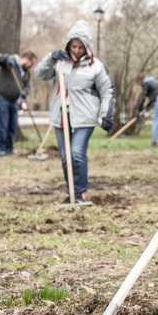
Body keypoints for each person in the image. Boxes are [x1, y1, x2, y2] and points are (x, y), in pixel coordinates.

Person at [34, 20, 114, 205]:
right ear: (68, 44)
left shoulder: (96, 66)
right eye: (74, 46)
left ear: (87, 47)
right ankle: (71, 192)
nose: (77, 50)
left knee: (77, 153)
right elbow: (40, 74)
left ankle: (80, 193)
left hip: (85, 116)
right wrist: (51, 58)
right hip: (61, 115)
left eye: (81, 47)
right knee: (65, 157)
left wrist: (106, 114)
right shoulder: (60, 62)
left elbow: (107, 90)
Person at [0, 50, 38, 156]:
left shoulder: (26, 73)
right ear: (26, 59)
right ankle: (0, 150)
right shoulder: (10, 63)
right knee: (2, 125)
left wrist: (23, 95)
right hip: (0, 97)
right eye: (32, 63)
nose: (32, 66)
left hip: (14, 101)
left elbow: (26, 87)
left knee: (12, 126)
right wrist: (7, 58)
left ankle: (9, 149)